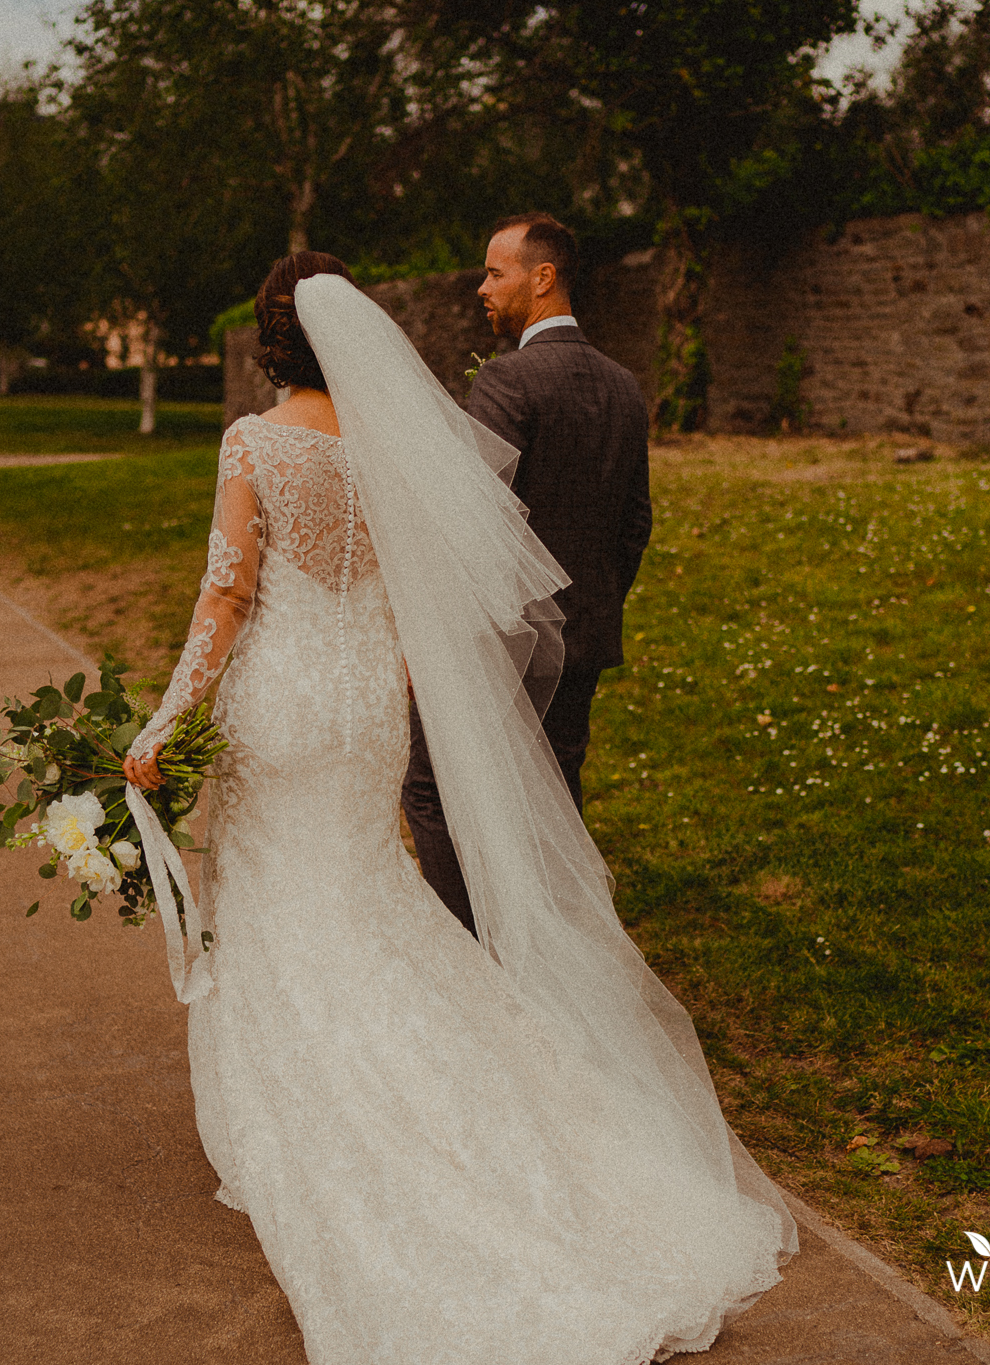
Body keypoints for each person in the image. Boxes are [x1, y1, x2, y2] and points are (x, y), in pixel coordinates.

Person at [123, 251, 796, 1365]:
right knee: (363, 893)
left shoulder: (253, 443)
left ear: (269, 340)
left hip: (280, 704)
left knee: (282, 905)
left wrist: (161, 724)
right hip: (364, 711)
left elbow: (229, 590)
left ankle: (319, 1125)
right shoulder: (399, 446)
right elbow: (414, 593)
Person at [403, 211, 652, 939]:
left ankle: (477, 962)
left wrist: (438, 636)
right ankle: (557, 951)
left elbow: (474, 529)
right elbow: (634, 524)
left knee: (434, 792)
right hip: (583, 640)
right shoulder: (624, 386)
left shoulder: (509, 382)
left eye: (494, 272)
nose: (482, 288)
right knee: (552, 796)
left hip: (498, 642)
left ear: (542, 278)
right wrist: (588, 606)